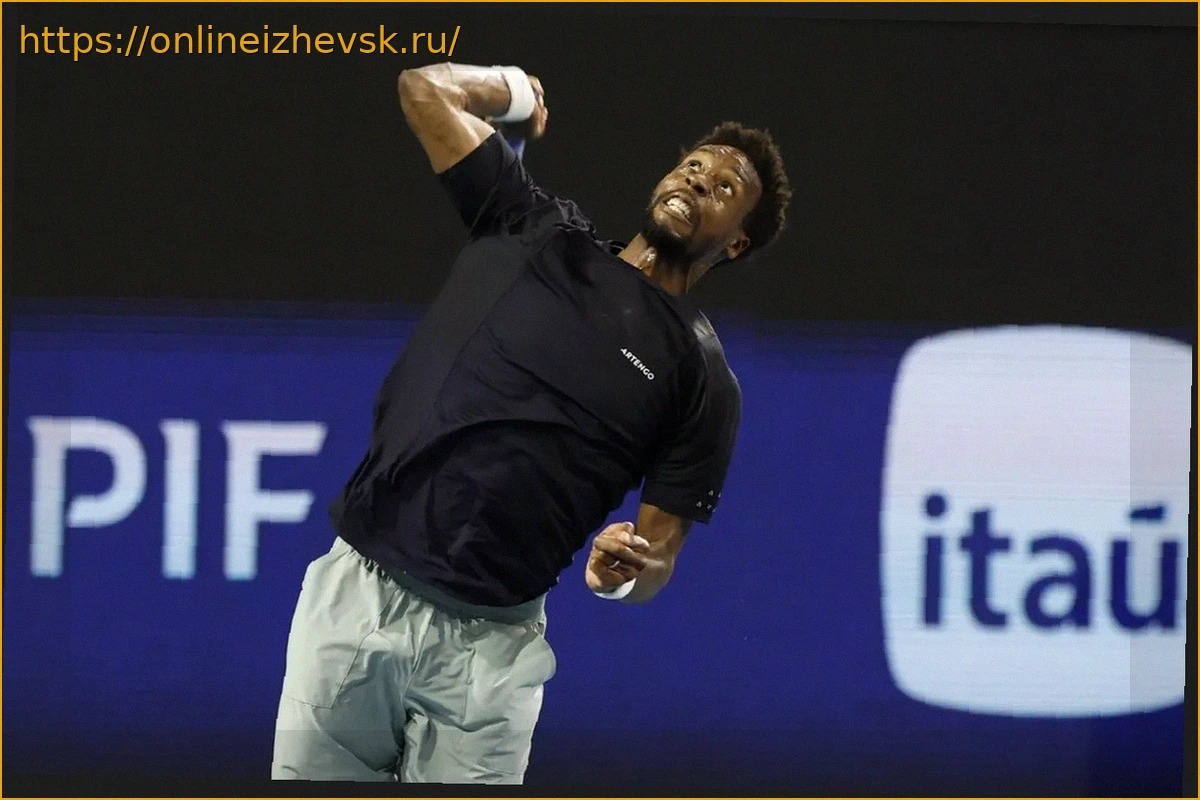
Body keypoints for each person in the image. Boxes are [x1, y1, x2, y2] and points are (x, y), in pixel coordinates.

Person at [271, 62, 790, 783]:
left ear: (735, 243)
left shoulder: (702, 380)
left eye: (725, 188)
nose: (700, 182)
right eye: (694, 166)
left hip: (490, 658)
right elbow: (424, 90)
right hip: (359, 598)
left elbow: (658, 557)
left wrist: (622, 574)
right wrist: (513, 88)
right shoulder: (532, 225)